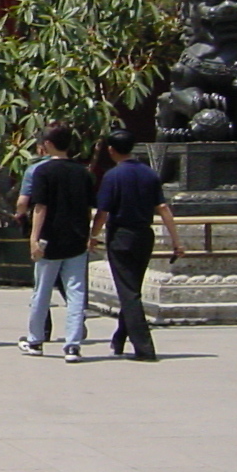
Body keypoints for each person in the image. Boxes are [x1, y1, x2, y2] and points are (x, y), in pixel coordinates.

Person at [89, 130, 181, 362]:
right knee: (132, 289)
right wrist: (176, 241)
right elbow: (163, 208)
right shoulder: (150, 174)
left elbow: (103, 212)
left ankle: (144, 347)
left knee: (128, 292)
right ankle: (119, 338)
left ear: (111, 150)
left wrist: (92, 235)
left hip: (121, 236)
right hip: (144, 236)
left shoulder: (112, 176)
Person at [19, 123, 97, 363]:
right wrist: (90, 235)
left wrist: (33, 239)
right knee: (76, 293)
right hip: (76, 239)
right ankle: (72, 345)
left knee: (42, 291)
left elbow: (40, 207)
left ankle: (35, 340)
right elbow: (89, 207)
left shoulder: (43, 172)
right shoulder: (83, 172)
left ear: (48, 145)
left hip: (48, 240)